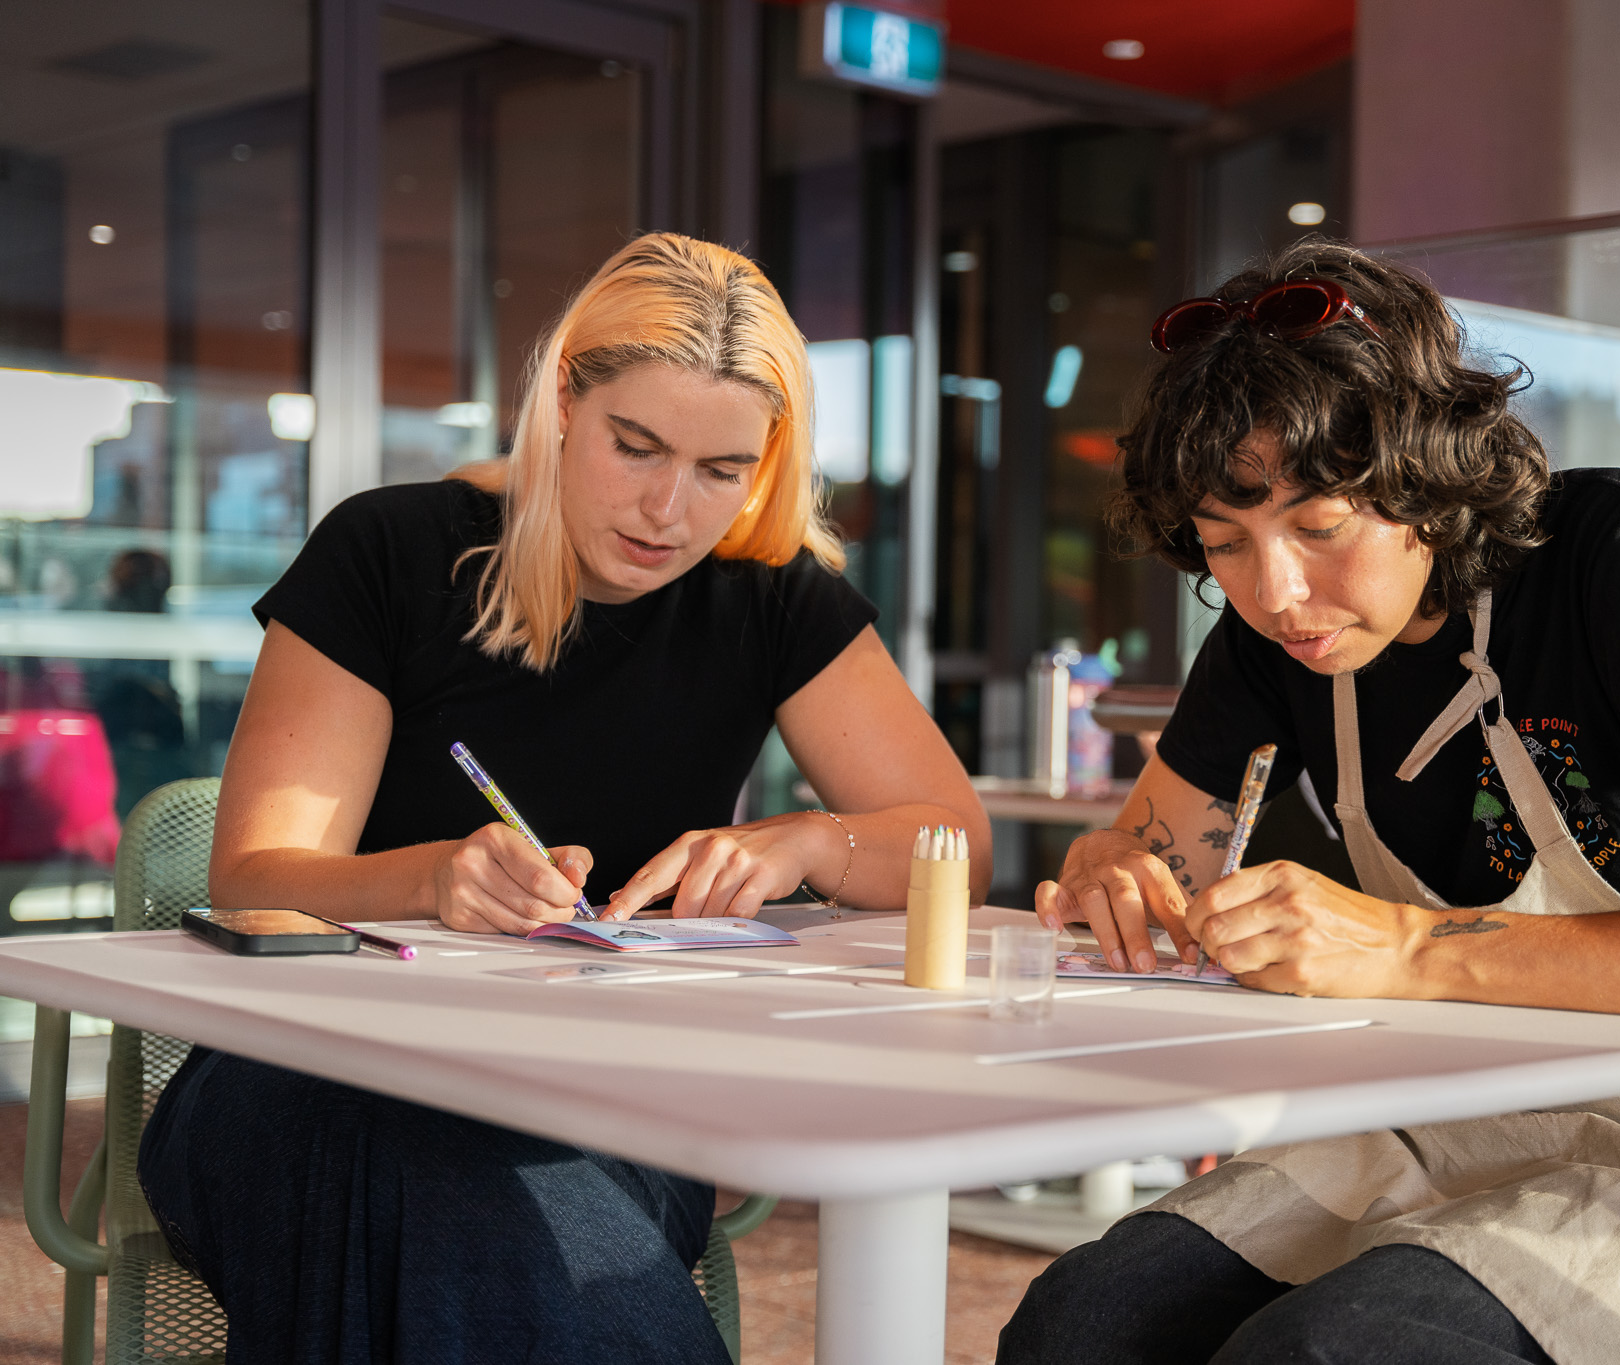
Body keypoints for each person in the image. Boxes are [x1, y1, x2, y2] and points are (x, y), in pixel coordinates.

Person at [998, 240, 1620, 1365]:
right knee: (1079, 1325)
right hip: (1448, 1128)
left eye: (1318, 527)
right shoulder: (1275, 641)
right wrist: (1118, 869)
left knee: (1332, 1353)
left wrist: (1405, 945)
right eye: (1223, 544)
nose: (1274, 592)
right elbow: (1156, 853)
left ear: (1425, 483)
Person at [138, 233, 990, 1363]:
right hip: (317, 1066)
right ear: (556, 410)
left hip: (605, 1100)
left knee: (466, 1211)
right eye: (633, 446)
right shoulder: (391, 552)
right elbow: (250, 881)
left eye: (721, 470)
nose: (668, 510)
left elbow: (956, 850)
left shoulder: (769, 592)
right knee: (443, 1183)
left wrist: (809, 844)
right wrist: (434, 878)